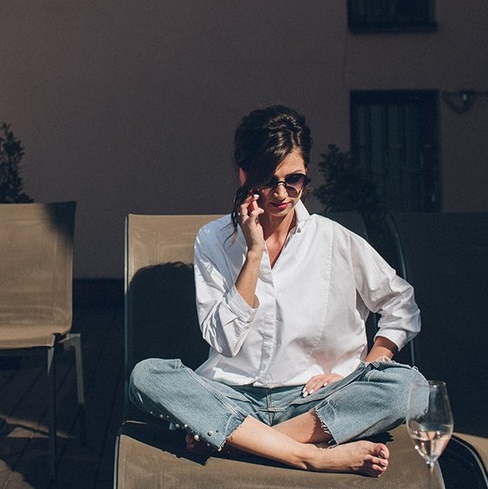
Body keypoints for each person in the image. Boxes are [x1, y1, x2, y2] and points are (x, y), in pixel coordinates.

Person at [128, 105, 423, 477]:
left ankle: (244, 442)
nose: (282, 193)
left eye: (294, 179)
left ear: (306, 174)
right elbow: (224, 342)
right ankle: (308, 456)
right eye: (268, 180)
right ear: (244, 174)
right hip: (234, 398)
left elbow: (401, 303)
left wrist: (363, 369)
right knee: (146, 376)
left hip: (315, 402)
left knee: (410, 386)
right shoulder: (214, 240)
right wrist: (253, 253)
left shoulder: (334, 240)